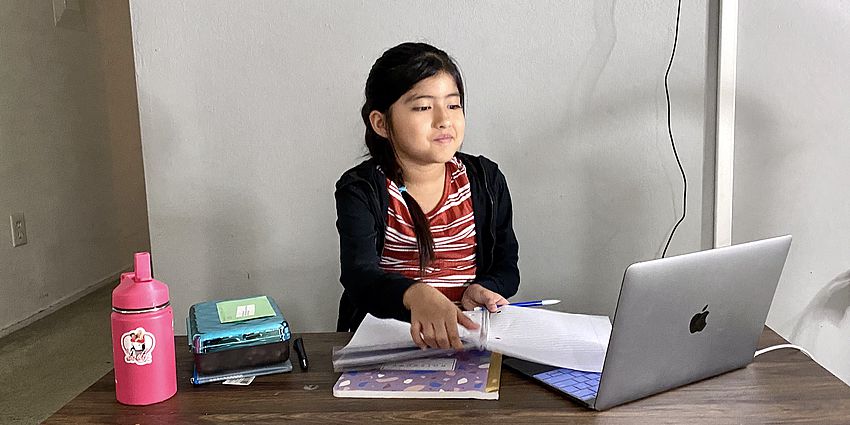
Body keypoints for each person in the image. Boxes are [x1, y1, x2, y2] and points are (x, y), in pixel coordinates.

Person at [335, 42, 520, 350]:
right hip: (389, 345)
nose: (443, 120)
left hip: (467, 342)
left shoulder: (486, 181)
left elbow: (506, 267)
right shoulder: (362, 190)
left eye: (453, 105)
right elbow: (360, 278)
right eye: (423, 107)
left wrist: (485, 288)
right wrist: (415, 295)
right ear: (381, 123)